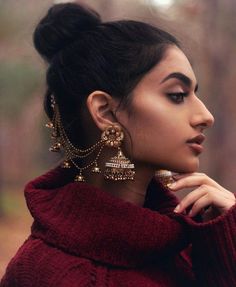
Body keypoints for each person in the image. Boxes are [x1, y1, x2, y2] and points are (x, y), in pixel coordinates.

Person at [1, 3, 236, 287]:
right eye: (177, 95)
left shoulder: (197, 241)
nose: (205, 116)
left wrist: (226, 245)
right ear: (106, 112)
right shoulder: (42, 273)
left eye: (193, 95)